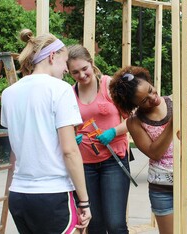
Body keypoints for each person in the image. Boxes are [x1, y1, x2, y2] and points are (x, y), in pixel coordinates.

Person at [1, 29, 91, 234]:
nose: (67, 70)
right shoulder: (60, 89)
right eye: (65, 61)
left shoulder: (9, 93)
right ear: (52, 56)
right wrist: (84, 201)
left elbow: (16, 149)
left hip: (19, 194)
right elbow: (69, 151)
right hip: (53, 194)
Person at [109, 66, 187, 234]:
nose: (153, 98)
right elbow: (154, 153)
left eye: (151, 90)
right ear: (134, 104)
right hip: (163, 190)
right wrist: (172, 125)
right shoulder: (134, 122)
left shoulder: (175, 101)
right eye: (144, 100)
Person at [67, 44, 131, 234]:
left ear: (91, 63)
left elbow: (133, 120)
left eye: (84, 69)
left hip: (114, 161)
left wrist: (114, 132)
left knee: (115, 224)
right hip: (84, 165)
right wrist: (72, 138)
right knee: (94, 225)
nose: (82, 75)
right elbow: (65, 128)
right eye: (75, 72)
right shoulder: (69, 94)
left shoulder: (109, 86)